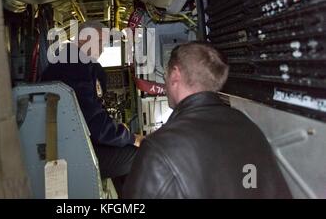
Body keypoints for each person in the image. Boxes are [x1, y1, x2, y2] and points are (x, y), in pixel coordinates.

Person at [123, 42, 292, 198]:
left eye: (166, 75)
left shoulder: (158, 148)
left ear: (175, 75)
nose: (165, 82)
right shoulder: (250, 128)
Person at [41, 21, 144, 193]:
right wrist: (132, 138)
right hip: (72, 151)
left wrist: (120, 134)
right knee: (140, 154)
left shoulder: (69, 61)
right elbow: (95, 124)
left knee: (120, 148)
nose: (103, 48)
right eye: (100, 42)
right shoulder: (75, 66)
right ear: (83, 39)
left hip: (67, 144)